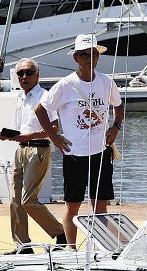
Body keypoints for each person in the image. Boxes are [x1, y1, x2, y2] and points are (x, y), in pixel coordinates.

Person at [35, 34, 124, 247]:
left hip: (101, 153)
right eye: (83, 55)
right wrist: (54, 137)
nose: (89, 58)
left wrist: (116, 126)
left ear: (98, 57)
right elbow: (40, 109)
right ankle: (71, 249)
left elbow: (118, 105)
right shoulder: (66, 85)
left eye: (93, 54)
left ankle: (100, 247)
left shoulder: (106, 82)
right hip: (74, 155)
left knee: (100, 206)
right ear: (75, 58)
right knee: (72, 206)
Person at [0, 58, 65, 253]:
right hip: (20, 150)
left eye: (29, 72)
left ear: (37, 74)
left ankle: (60, 233)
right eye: (20, 73)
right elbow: (20, 129)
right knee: (15, 200)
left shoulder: (44, 96)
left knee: (28, 200)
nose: (24, 77)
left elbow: (53, 128)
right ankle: (23, 245)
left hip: (38, 150)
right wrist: (10, 136)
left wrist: (26, 136)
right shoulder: (21, 98)